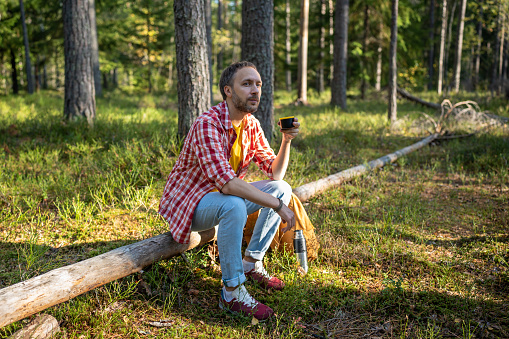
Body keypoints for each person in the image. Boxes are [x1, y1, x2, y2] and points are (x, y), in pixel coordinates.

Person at [159, 61, 300, 320]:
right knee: (235, 203)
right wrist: (277, 207)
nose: (255, 90)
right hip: (190, 203)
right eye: (246, 84)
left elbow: (275, 173)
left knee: (281, 188)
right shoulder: (208, 124)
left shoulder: (251, 125)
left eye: (258, 84)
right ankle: (232, 293)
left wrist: (286, 141)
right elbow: (226, 183)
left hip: (221, 200)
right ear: (228, 91)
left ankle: (251, 263)